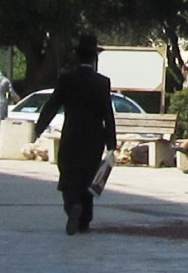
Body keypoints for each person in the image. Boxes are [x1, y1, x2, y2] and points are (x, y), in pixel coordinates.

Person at [34, 34, 116, 235]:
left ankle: (72, 206)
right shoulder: (102, 82)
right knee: (88, 177)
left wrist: (39, 128)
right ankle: (84, 221)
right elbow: (108, 113)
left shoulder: (67, 79)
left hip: (71, 134)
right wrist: (111, 143)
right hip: (94, 138)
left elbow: (52, 105)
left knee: (69, 174)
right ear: (94, 58)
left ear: (78, 57)